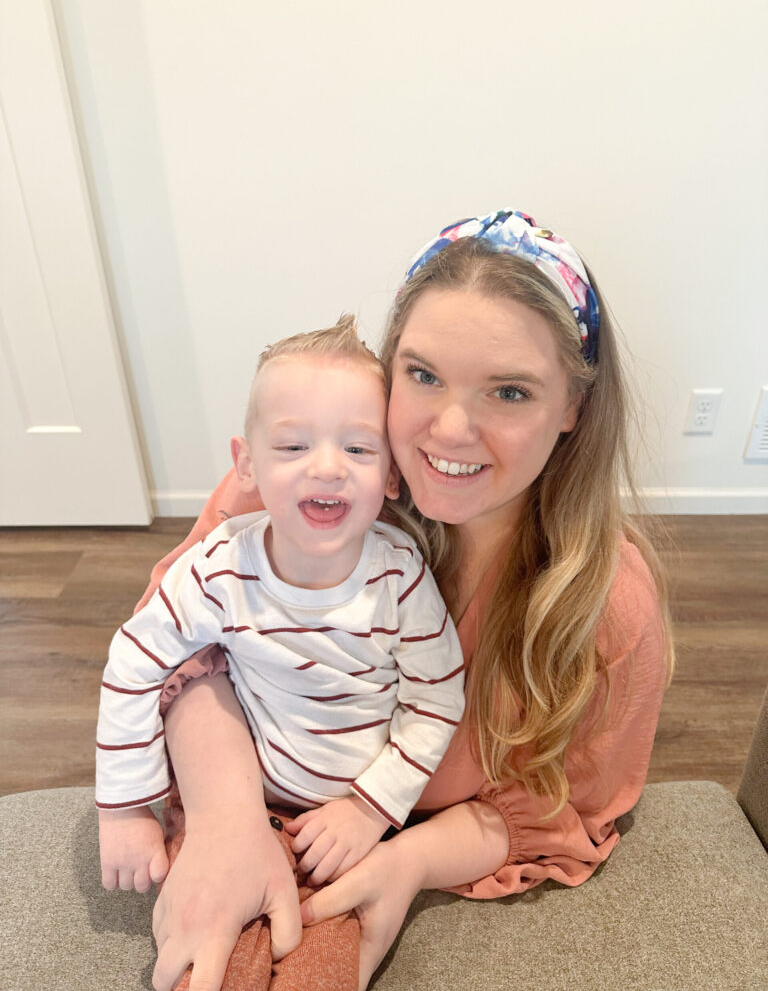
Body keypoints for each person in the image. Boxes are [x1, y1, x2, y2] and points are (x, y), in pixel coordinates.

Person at [145, 209, 673, 991]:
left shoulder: (607, 611)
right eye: (423, 375)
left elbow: (559, 805)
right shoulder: (315, 490)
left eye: (510, 391)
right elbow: (176, 641)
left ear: (573, 410)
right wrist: (224, 820)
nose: (450, 429)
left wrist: (408, 863)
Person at [96, 317, 466, 977]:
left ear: (389, 476)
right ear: (247, 462)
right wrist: (125, 810)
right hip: (241, 807)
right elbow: (134, 659)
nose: (326, 467)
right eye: (293, 446)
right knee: (203, 963)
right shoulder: (218, 568)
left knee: (319, 965)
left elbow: (437, 700)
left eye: (357, 449)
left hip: (351, 827)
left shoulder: (399, 575)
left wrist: (367, 808)